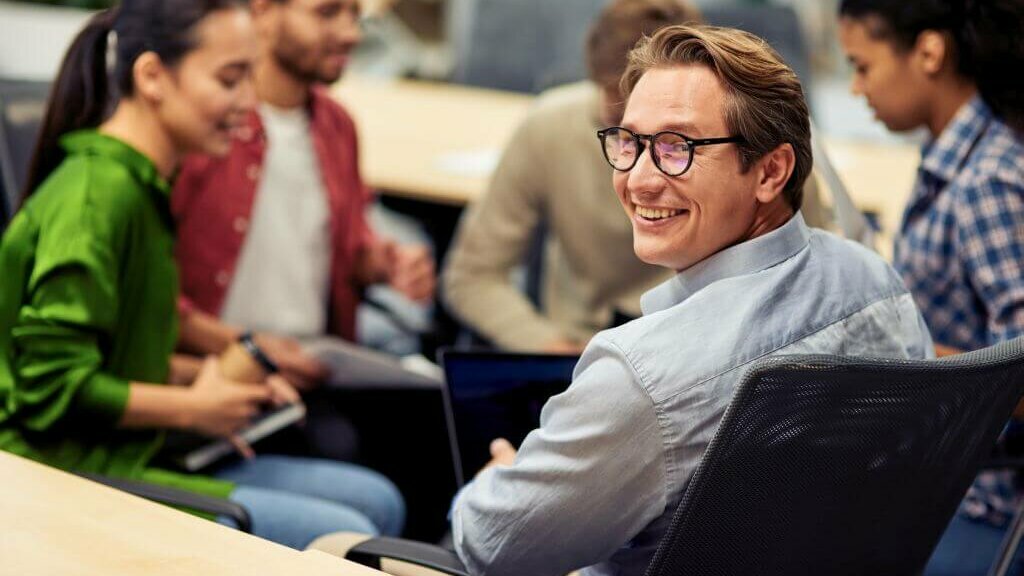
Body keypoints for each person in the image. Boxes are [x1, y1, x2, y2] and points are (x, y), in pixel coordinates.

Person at [448, 24, 933, 576]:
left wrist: (493, 481)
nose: (639, 180)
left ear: (772, 171)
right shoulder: (878, 285)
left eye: (678, 148)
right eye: (629, 143)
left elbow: (496, 547)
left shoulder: (643, 379)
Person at [0, 0, 402, 550]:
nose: (247, 102)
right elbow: (52, 390)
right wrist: (194, 407)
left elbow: (116, 354)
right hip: (72, 468)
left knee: (377, 500)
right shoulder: (99, 197)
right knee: (352, 531)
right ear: (152, 77)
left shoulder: (141, 185)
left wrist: (209, 378)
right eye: (230, 79)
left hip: (126, 449)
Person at [441, 0, 837, 354]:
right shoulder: (550, 127)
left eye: (675, 142)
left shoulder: (762, 146)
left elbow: (815, 275)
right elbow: (472, 275)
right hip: (583, 348)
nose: (639, 178)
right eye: (624, 133)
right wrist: (551, 348)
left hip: (718, 351)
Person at [837, 1, 1024, 574]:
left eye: (863, 66)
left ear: (929, 52)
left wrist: (905, 349)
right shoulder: (951, 157)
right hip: (942, 480)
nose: (853, 88)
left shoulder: (986, 182)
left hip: (984, 504)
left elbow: (1019, 373)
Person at [171, 0, 435, 364]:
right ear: (262, 11)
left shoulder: (337, 125)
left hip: (314, 363)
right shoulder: (205, 125)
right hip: (214, 369)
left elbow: (334, 248)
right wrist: (254, 351)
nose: (350, 34)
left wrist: (382, 264)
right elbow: (148, 292)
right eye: (326, 13)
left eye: (355, 15)